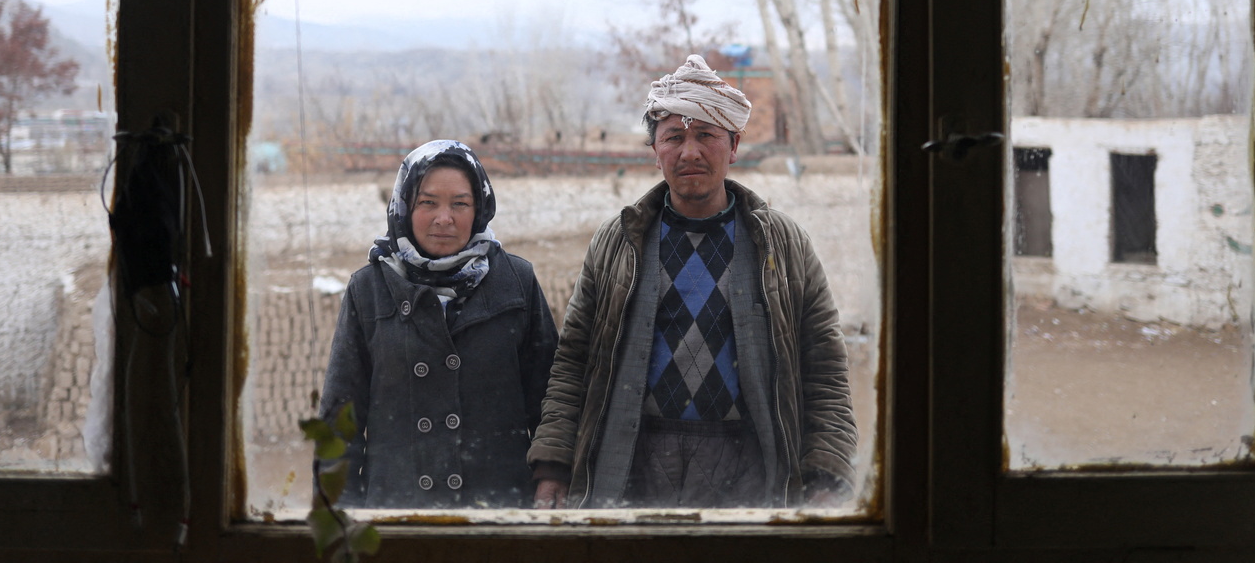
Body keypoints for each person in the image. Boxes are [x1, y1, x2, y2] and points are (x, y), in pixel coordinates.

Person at [528, 55, 856, 509]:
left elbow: (825, 369)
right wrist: (553, 466)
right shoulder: (618, 242)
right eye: (674, 137)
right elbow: (574, 361)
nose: (690, 152)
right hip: (632, 462)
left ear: (734, 144)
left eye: (706, 135)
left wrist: (827, 473)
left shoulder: (782, 244)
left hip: (751, 467)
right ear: (655, 149)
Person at [320, 140, 558, 508]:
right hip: (399, 512)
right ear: (403, 207)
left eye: (460, 203)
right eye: (427, 202)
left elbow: (548, 401)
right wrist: (339, 513)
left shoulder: (515, 281)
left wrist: (550, 476)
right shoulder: (368, 290)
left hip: (499, 509)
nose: (443, 218)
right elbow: (340, 420)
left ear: (479, 208)